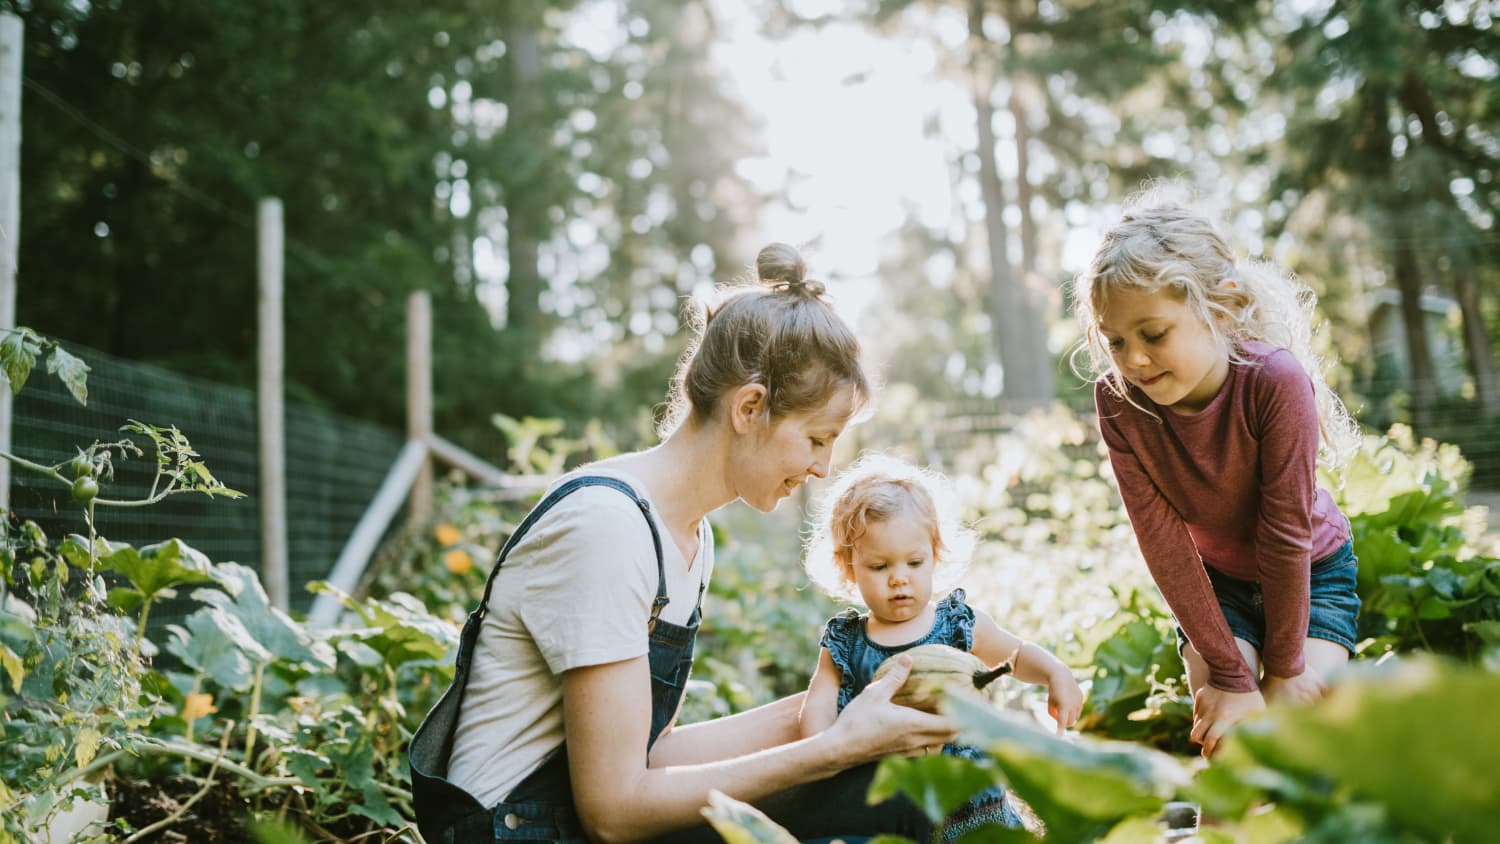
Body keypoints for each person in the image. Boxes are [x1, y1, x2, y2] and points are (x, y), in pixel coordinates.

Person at [409, 243, 959, 844]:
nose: (824, 468)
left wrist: (856, 698)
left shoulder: (687, 535)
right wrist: (833, 749)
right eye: (816, 439)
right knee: (889, 798)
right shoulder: (608, 528)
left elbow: (652, 755)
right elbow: (614, 812)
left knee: (898, 783)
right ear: (749, 407)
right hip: (514, 832)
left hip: (567, 819)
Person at [1070, 193, 1362, 759]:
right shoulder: (1120, 402)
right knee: (1233, 746)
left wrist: (1281, 671)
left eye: (1153, 334)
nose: (1132, 360)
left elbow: (1285, 536)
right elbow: (1163, 544)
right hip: (1215, 588)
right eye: (1116, 342)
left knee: (1297, 742)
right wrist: (1232, 676)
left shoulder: (1275, 382)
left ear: (1220, 310)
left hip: (1311, 573)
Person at [799, 453, 1085, 839]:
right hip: (892, 798)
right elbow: (816, 710)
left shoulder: (956, 624)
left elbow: (1013, 654)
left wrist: (1054, 672)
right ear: (848, 567)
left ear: (934, 555)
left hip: (971, 797)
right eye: (880, 567)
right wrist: (825, 752)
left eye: (914, 563)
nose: (899, 579)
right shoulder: (846, 642)